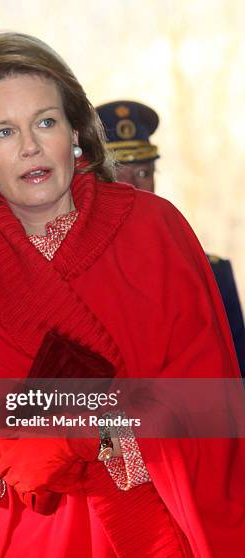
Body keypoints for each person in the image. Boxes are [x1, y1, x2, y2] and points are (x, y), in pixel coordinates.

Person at [0, 33, 245, 558]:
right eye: (3, 132)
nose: (30, 147)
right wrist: (9, 450)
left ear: (76, 133)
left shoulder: (154, 229)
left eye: (46, 122)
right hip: (32, 547)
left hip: (159, 531)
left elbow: (216, 403)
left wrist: (48, 417)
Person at [96, 99, 245, 376]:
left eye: (144, 173)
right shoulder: (82, 276)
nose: (134, 186)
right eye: (118, 173)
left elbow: (235, 382)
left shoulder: (209, 273)